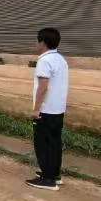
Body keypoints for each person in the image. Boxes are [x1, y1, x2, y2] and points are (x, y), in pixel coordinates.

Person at [26, 27, 69, 191]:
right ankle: (54, 175)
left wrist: (36, 109)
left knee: (43, 144)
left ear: (42, 42)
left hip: (46, 110)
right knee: (55, 143)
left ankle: (47, 179)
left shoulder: (44, 60)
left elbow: (43, 87)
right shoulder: (60, 59)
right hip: (58, 110)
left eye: (37, 41)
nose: (36, 44)